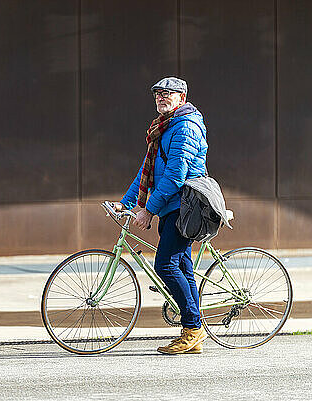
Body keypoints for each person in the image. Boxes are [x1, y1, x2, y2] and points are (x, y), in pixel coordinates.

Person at [113, 77, 209, 354]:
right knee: (181, 267)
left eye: (168, 93)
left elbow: (175, 176)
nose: (161, 97)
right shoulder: (161, 129)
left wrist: (148, 210)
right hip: (172, 207)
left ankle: (193, 328)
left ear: (182, 98)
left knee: (165, 266)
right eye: (158, 94)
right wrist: (125, 202)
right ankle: (192, 332)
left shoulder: (185, 126)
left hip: (184, 206)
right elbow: (148, 170)